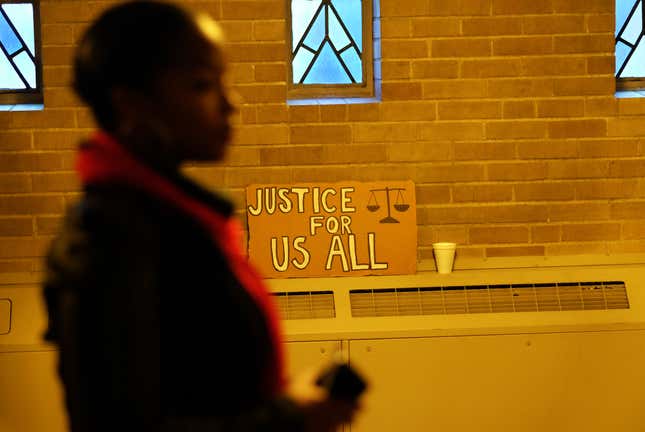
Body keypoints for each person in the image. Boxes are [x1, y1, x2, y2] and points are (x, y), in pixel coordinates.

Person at [42, 2, 359, 431]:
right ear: (131, 104)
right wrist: (289, 418)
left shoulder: (171, 216)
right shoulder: (112, 237)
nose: (231, 103)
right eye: (202, 85)